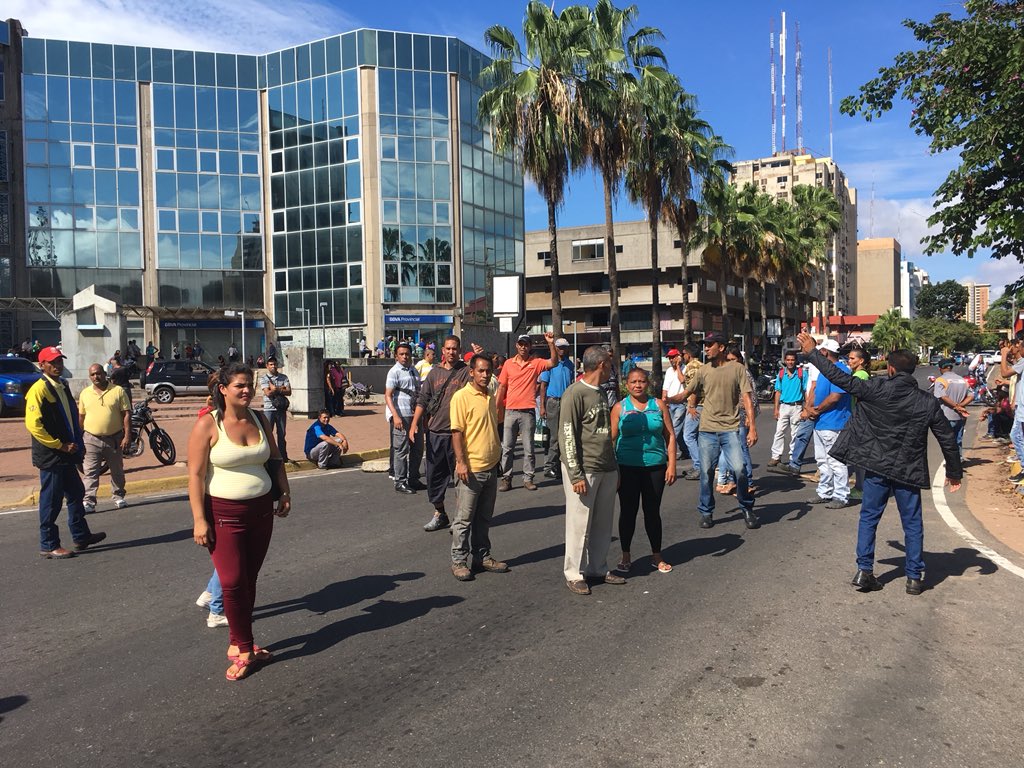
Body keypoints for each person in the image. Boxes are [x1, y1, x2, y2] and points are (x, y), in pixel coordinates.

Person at [796, 332, 962, 594]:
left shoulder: (875, 388)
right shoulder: (927, 402)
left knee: (869, 518)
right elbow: (947, 438)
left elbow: (839, 378)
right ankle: (914, 578)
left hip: (875, 467)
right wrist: (954, 472)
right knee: (912, 523)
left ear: (891, 368)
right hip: (908, 471)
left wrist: (813, 353)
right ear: (912, 370)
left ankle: (864, 571)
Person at [187, 363, 291, 681]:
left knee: (248, 581)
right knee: (231, 582)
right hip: (223, 515)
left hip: (261, 512)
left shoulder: (259, 418)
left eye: (250, 385)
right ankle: (243, 647)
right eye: (239, 386)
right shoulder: (208, 424)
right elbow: (194, 475)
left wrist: (284, 492)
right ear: (223, 389)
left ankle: (240, 642)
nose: (247, 390)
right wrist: (199, 520)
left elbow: (274, 458)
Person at [667, 332, 759, 530]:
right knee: (707, 473)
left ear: (722, 347)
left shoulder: (737, 369)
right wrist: (666, 400)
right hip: (707, 429)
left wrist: (752, 427)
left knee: (740, 471)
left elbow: (747, 399)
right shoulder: (703, 370)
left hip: (731, 428)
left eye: (710, 344)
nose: (706, 348)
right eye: (705, 345)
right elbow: (686, 393)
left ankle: (746, 507)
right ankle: (706, 512)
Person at [25, 346, 107, 558]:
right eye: (52, 362)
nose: (57, 366)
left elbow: (70, 417)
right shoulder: (39, 389)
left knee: (76, 493)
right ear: (42, 365)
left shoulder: (62, 385)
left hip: (68, 452)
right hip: (52, 454)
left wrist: (76, 444)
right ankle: (49, 544)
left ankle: (80, 536)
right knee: (51, 501)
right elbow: (34, 425)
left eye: (59, 361)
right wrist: (59, 445)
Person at [559, 345, 626, 595]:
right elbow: (567, 435)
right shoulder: (575, 393)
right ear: (601, 365)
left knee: (602, 523)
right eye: (610, 364)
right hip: (584, 469)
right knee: (579, 524)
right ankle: (573, 573)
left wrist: (614, 468)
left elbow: (605, 433)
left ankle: (597, 567)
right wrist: (575, 474)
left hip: (606, 467)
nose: (612, 369)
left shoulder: (600, 392)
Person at [448, 354, 509, 581]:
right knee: (464, 519)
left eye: (488, 371)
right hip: (471, 468)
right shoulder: (461, 397)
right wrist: (461, 462)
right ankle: (458, 561)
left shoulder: (488, 395)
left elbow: (495, 424)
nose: (485, 375)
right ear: (471, 372)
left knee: (484, 517)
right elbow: (456, 433)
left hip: (491, 466)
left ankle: (482, 556)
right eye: (481, 371)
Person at [612, 367, 676, 574]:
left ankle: (656, 555)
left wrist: (672, 464)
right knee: (628, 512)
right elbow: (610, 440)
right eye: (633, 382)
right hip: (627, 467)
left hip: (655, 466)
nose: (637, 385)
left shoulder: (658, 405)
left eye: (641, 381)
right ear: (626, 385)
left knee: (652, 512)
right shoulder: (619, 408)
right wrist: (613, 470)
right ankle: (625, 554)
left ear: (648, 384)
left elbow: (670, 436)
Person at [409, 336, 475, 532]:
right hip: (435, 434)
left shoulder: (466, 372)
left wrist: (479, 355)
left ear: (459, 350)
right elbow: (423, 399)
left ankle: (460, 518)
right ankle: (440, 513)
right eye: (448, 348)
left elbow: (482, 380)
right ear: (443, 350)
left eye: (455, 349)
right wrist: (414, 424)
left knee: (460, 479)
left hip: (458, 434)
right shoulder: (433, 373)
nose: (451, 352)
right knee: (433, 478)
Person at [496, 332, 557, 492]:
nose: (523, 347)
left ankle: (528, 478)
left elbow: (553, 362)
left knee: (529, 449)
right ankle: (506, 478)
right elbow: (502, 386)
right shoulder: (508, 364)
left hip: (528, 412)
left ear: (530, 347)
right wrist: (496, 407)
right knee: (507, 448)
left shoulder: (536, 363)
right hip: (510, 410)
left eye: (526, 344)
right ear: (517, 345)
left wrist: (551, 343)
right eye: (521, 344)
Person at [806, 339, 853, 508]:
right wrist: (808, 408)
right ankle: (825, 492)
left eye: (819, 352)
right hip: (821, 423)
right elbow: (816, 390)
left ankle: (841, 496)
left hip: (834, 423)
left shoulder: (841, 370)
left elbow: (835, 397)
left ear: (825, 352)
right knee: (822, 460)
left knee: (836, 461)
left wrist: (815, 411)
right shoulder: (823, 371)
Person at [78, 363, 131, 513]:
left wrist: (127, 436)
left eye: (98, 373)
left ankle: (118, 495)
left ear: (104, 373)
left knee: (117, 470)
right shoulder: (85, 393)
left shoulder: (118, 391)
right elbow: (81, 416)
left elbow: (126, 414)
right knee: (90, 472)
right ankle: (89, 501)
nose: (96, 377)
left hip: (114, 438)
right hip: (91, 439)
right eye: (92, 375)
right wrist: (79, 436)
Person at [716, 345, 759, 495]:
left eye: (733, 360)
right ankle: (735, 481)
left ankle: (748, 483)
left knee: (742, 450)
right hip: (730, 417)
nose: (731, 363)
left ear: (740, 360)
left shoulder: (744, 374)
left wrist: (749, 418)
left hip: (742, 416)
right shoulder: (730, 373)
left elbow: (751, 398)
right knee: (732, 450)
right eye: (728, 360)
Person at [385, 342, 423, 494]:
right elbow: (388, 395)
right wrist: (395, 416)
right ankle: (400, 481)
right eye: (401, 354)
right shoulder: (394, 372)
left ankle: (413, 478)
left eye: (407, 354)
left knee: (418, 448)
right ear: (396, 356)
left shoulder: (414, 370)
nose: (405, 356)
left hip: (415, 416)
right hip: (401, 416)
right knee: (401, 449)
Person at [539, 338, 576, 481]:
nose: (562, 350)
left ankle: (560, 465)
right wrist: (542, 406)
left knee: (566, 434)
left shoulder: (570, 365)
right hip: (553, 401)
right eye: (559, 347)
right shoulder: (550, 364)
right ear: (555, 348)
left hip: (566, 401)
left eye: (564, 347)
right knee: (554, 436)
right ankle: (549, 467)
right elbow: (543, 386)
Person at [769, 351, 806, 468]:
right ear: (785, 361)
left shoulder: (802, 374)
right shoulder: (781, 374)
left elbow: (806, 391)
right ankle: (775, 457)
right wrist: (776, 409)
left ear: (795, 361)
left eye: (792, 360)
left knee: (795, 433)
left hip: (797, 406)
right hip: (784, 406)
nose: (790, 362)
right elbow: (778, 392)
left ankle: (792, 458)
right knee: (779, 432)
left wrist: (806, 408)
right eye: (788, 360)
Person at [933, 358, 971, 461]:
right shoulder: (962, 380)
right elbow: (971, 395)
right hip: (961, 416)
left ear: (940, 368)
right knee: (958, 439)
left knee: (948, 442)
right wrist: (961, 406)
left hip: (946, 416)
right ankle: (958, 458)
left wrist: (955, 406)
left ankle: (952, 462)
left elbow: (942, 397)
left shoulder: (940, 380)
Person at [847, 348, 872, 500]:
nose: (849, 361)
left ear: (861, 361)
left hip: (860, 419)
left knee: (859, 457)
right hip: (859, 418)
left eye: (852, 359)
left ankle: (861, 488)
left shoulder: (860, 376)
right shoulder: (857, 374)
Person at [998, 336, 1024, 481]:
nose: (1016, 349)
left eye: (1018, 346)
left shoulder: (1023, 362)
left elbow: (1005, 372)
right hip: (1020, 405)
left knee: (1016, 435)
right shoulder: (1020, 363)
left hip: (1022, 408)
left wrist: (1003, 355)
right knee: (1017, 435)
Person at [260, 357, 292, 462]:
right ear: (267, 366)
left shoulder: (284, 377)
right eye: (271, 364)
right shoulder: (264, 378)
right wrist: (281, 389)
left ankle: (283, 456)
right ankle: (268, 456)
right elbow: (268, 393)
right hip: (269, 409)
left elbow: (289, 391)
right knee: (268, 433)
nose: (273, 366)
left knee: (282, 434)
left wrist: (275, 389)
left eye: (274, 364)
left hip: (281, 409)